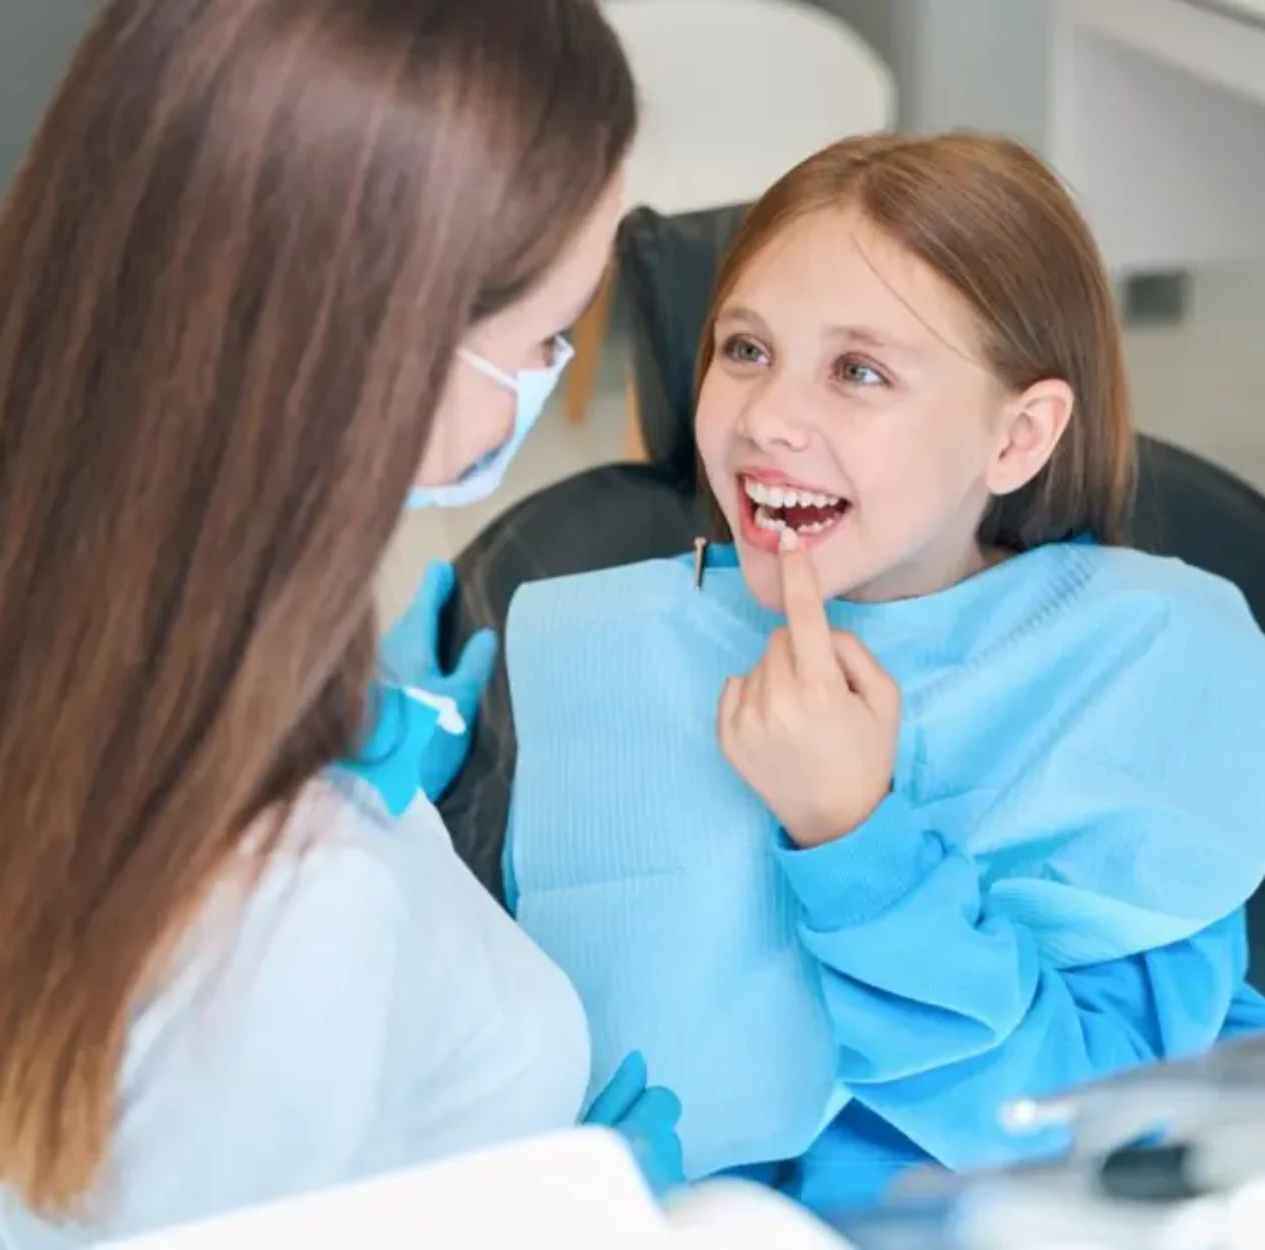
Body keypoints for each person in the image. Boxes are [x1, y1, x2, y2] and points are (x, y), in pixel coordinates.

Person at [0, 2, 684, 1247]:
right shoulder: (288, 911)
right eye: (545, 339)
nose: (557, 369)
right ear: (382, 350)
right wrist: (570, 1211)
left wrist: (332, 751)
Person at [500, 132, 1265, 1214]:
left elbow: (1090, 1126)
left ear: (1019, 435)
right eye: (745, 349)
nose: (767, 418)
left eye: (859, 371)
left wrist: (854, 834)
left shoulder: (1153, 660)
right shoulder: (600, 638)